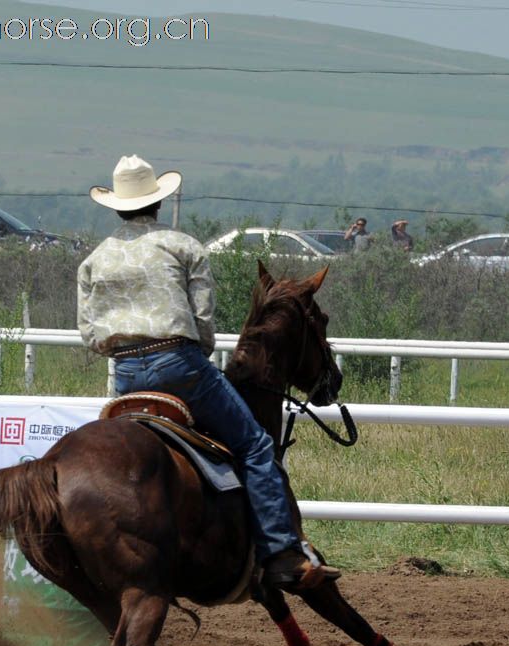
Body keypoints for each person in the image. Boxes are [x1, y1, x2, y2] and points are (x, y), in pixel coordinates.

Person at [77, 154, 339, 589]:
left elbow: (89, 332)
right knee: (255, 445)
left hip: (123, 375)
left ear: (118, 207)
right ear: (158, 204)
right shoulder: (183, 247)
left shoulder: (94, 260)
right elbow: (203, 323)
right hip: (180, 366)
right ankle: (279, 552)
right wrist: (192, 353)